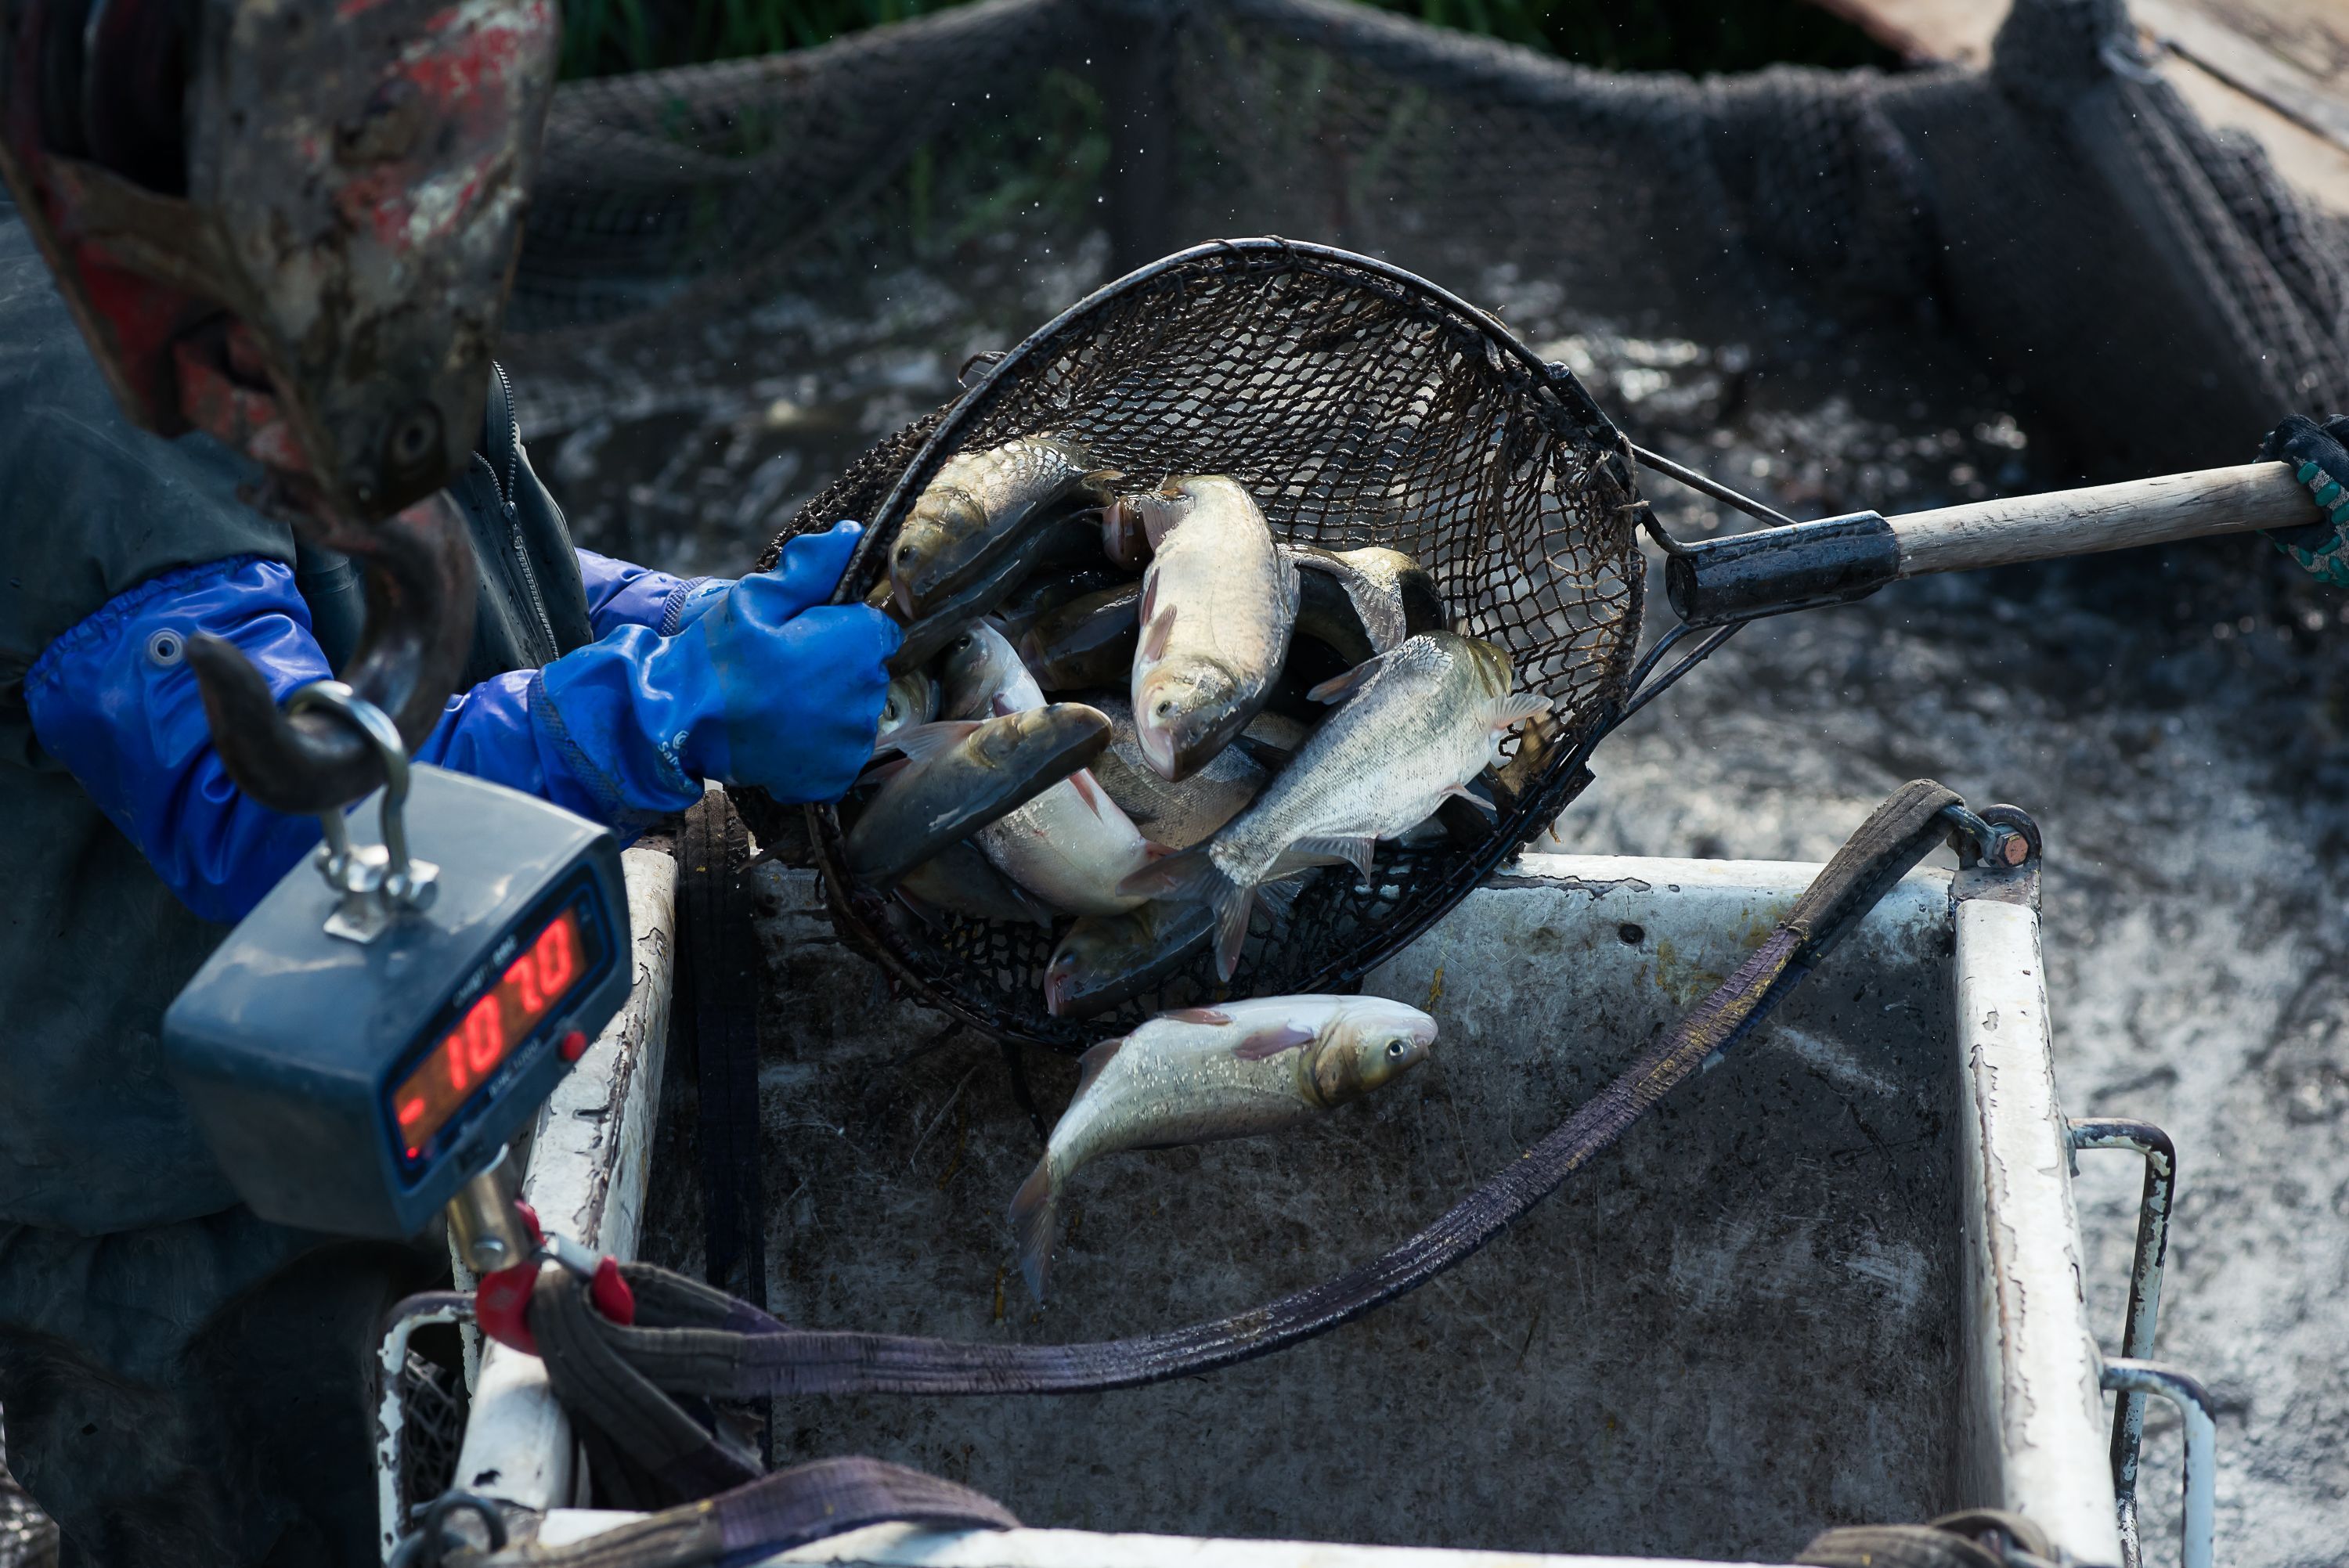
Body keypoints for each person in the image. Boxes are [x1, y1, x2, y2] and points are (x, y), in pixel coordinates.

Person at [0, 189, 899, 1563]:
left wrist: (674, 616)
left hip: (426, 1088)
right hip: (203, 1217)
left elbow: (411, 563)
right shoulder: (70, 358)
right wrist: (655, 713)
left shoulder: (270, 239)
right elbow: (284, 810)